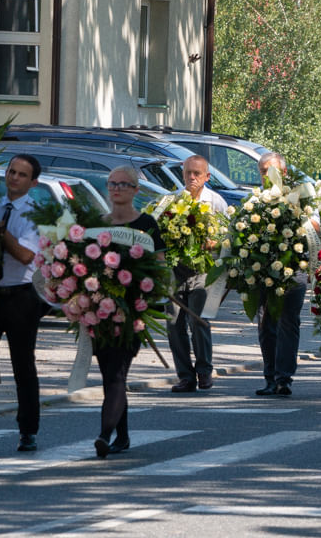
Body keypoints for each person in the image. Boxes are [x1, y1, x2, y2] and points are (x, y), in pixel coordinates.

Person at [94, 166, 165, 458]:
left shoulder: (146, 224)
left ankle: (104, 435)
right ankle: (121, 436)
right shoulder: (97, 225)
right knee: (109, 374)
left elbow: (159, 265)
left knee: (117, 374)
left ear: (136, 190)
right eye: (112, 183)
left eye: (124, 184)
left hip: (133, 313)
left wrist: (148, 290)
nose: (117, 188)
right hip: (99, 314)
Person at [0, 155, 43, 451]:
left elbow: (25, 255)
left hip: (21, 295)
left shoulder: (34, 214)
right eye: (10, 172)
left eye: (21, 174)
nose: (13, 178)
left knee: (23, 366)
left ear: (33, 183)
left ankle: (28, 430)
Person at [167, 155, 227, 393]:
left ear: (206, 177)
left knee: (199, 320)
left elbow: (229, 236)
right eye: (188, 173)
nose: (192, 177)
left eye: (197, 174)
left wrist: (214, 243)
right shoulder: (172, 200)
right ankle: (185, 376)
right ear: (182, 174)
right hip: (176, 269)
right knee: (173, 322)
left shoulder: (216, 201)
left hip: (204, 269)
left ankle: (204, 371)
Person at [254, 153, 310, 397]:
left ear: (284, 173)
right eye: (263, 171)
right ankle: (270, 377)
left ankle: (284, 378)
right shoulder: (254, 201)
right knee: (266, 326)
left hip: (293, 271)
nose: (266, 176)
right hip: (263, 273)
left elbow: (315, 226)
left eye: (271, 170)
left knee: (288, 323)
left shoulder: (300, 197)